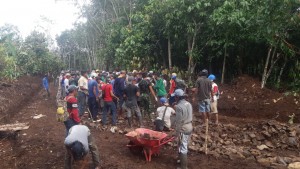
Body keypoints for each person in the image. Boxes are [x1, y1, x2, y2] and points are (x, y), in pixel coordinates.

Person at [173, 89, 193, 169]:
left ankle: (184, 167)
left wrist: (176, 133)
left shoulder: (178, 107)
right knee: (182, 144)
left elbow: (179, 122)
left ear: (177, 97)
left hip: (183, 128)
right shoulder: (188, 103)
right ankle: (180, 159)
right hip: (190, 126)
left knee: (183, 147)